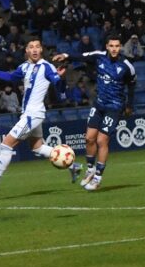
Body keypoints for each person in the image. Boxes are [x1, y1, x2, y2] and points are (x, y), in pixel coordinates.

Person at [0, 38, 82, 194]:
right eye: (31, 47)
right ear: (27, 51)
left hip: (33, 114)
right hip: (30, 114)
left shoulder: (47, 67)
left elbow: (60, 90)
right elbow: (9, 78)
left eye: (38, 46)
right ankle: (72, 166)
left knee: (6, 144)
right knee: (37, 147)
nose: (35, 49)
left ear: (41, 50)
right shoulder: (24, 67)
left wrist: (60, 78)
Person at [53, 34, 136, 191]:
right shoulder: (99, 56)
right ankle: (90, 170)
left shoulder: (126, 66)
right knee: (89, 138)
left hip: (115, 107)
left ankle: (98, 177)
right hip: (99, 105)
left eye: (117, 46)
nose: (114, 49)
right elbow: (82, 56)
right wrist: (65, 56)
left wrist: (129, 105)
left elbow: (131, 85)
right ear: (107, 46)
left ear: (120, 47)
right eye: (111, 46)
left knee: (101, 141)